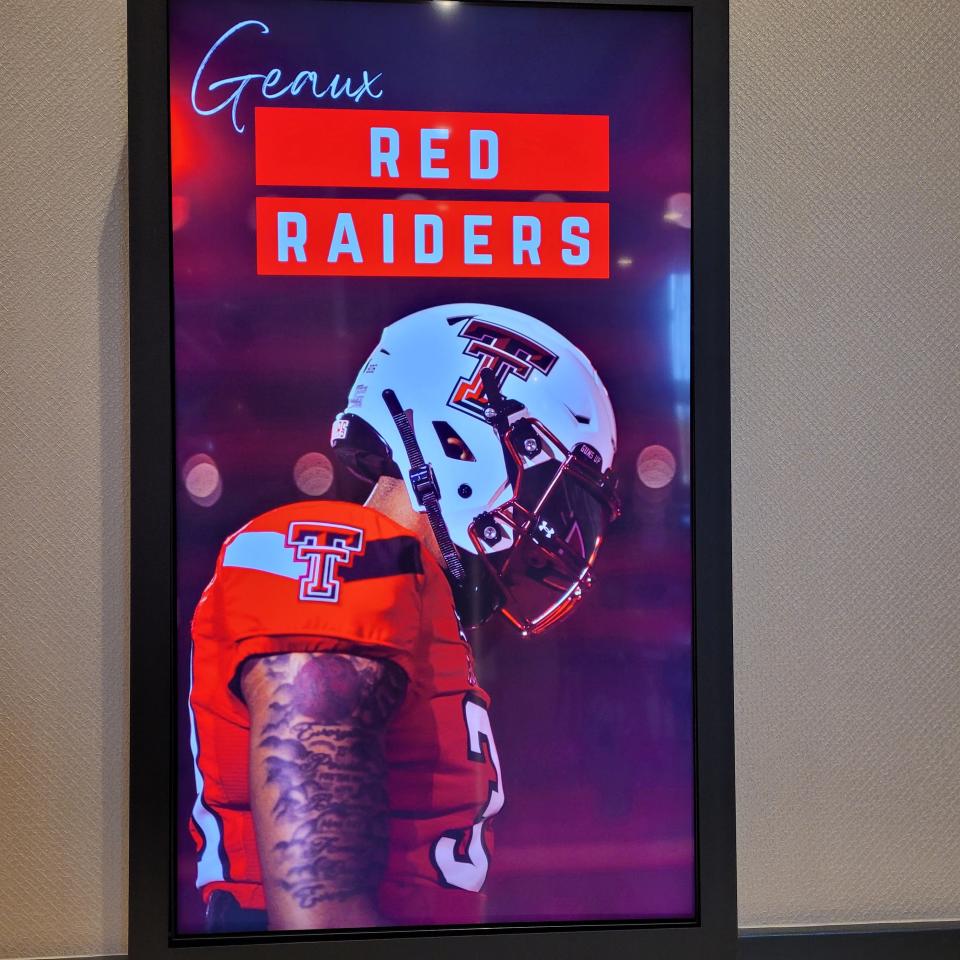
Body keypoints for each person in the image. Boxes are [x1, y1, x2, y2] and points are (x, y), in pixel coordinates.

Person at [187, 303, 620, 932]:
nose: (558, 531)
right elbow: (318, 913)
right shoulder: (338, 556)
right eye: (553, 488)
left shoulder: (411, 598)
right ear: (466, 443)